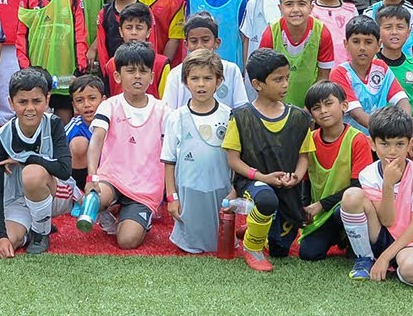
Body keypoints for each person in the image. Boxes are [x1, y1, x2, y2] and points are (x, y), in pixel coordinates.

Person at [222, 48, 313, 271]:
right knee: (265, 198)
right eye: (277, 79)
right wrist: (262, 177)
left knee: (280, 249)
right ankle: (252, 247)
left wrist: (296, 177)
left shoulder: (299, 118)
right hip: (253, 183)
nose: (285, 85)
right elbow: (233, 160)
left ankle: (254, 227)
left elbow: (304, 157)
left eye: (286, 78)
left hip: (287, 188)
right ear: (257, 84)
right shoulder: (241, 116)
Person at [77, 41, 170, 250]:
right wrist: (92, 177)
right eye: (130, 71)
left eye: (143, 71)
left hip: (144, 189)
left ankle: (135, 216)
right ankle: (108, 212)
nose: (137, 76)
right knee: (92, 199)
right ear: (118, 76)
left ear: (152, 77)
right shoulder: (109, 105)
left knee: (126, 241)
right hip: (113, 179)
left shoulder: (163, 110)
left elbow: (172, 153)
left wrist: (171, 194)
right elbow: (96, 141)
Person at [338, 106, 413, 284]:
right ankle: (365, 259)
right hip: (381, 235)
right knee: (351, 195)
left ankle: (396, 263)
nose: (392, 151)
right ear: (372, 144)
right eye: (385, 144)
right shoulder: (368, 174)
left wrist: (385, 258)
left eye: (399, 144)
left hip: (412, 240)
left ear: (410, 144)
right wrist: (388, 185)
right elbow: (387, 221)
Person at [0, 67, 74, 257]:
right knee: (11, 242)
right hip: (18, 200)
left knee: (32, 174)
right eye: (22, 102)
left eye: (36, 101)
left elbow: (64, 170)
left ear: (47, 100)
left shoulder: (53, 124)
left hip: (56, 194)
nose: (30, 108)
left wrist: (26, 158)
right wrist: (0, 236)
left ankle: (41, 233)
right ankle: (38, 222)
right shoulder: (1, 137)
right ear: (11, 103)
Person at [162, 49, 233, 254]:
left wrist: (233, 191)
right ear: (185, 81)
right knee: (189, 245)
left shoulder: (229, 116)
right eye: (195, 78)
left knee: (219, 243)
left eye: (207, 78)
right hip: (187, 192)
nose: (201, 84)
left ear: (219, 81)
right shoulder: (176, 118)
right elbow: (169, 162)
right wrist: (172, 197)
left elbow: (235, 158)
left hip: (219, 190)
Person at [299, 81, 373, 261]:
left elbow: (360, 186)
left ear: (344, 106)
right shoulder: (309, 140)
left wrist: (320, 205)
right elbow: (306, 181)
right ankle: (337, 236)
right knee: (308, 254)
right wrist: (304, 209)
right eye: (316, 107)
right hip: (322, 214)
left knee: (343, 212)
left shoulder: (358, 140)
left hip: (347, 209)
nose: (323, 110)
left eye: (328, 103)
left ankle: (350, 238)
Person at [16, 0, 88, 118]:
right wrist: (27, 70)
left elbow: (80, 34)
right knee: (37, 120)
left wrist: (80, 70)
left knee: (63, 123)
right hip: (37, 75)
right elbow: (21, 36)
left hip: (66, 75)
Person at [329, 16, 410, 134]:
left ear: (378, 45)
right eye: (356, 41)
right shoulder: (339, 73)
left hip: (381, 140)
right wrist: (389, 134)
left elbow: (402, 101)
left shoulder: (381, 67)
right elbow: (357, 115)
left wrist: (407, 131)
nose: (362, 48)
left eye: (368, 42)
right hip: (353, 141)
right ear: (346, 44)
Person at [261, 0, 336, 108]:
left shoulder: (322, 33)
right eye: (289, 4)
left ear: (311, 7)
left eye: (302, 4)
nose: (295, 10)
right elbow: (263, 76)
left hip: (310, 104)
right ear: (280, 8)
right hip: (276, 104)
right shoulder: (271, 33)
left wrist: (310, 108)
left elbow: (323, 76)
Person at [165, 13, 249, 111]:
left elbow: (241, 109)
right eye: (194, 41)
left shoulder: (231, 70)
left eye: (205, 40)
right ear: (186, 44)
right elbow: (168, 111)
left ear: (217, 43)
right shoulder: (176, 73)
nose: (200, 46)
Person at [374, 5, 413, 133]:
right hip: (375, 127)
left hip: (409, 127)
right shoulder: (369, 64)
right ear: (378, 31)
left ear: (408, 32)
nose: (394, 32)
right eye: (388, 27)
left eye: (400, 27)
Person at [95, 0, 141, 73]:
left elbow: (151, 44)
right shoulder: (104, 14)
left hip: (138, 70)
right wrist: (107, 72)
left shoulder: (144, 12)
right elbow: (102, 49)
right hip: (112, 72)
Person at [65, 73, 107, 191]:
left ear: (103, 100)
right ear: (74, 105)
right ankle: (81, 193)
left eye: (92, 98)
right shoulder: (74, 126)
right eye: (80, 100)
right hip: (83, 179)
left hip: (110, 174)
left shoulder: (115, 122)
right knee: (79, 144)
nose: (87, 105)